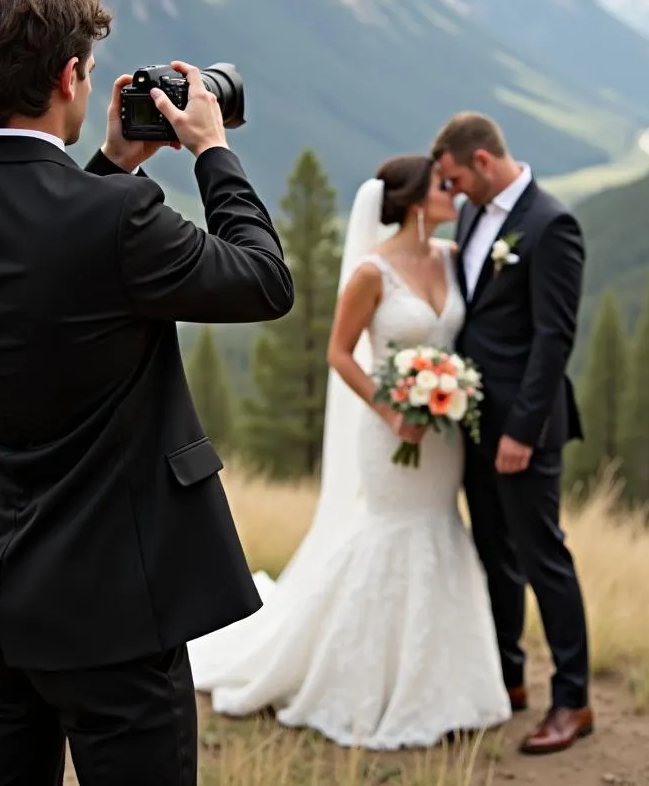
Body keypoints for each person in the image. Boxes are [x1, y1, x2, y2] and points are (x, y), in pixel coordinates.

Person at [0, 0, 294, 786]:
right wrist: (212, 152)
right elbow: (264, 280)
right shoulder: (117, 222)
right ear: (70, 77)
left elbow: (47, 264)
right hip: (116, 615)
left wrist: (111, 166)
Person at [186, 154, 512, 749]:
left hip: (442, 438)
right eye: (444, 185)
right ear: (415, 200)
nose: (455, 192)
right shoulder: (371, 272)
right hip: (389, 435)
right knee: (391, 535)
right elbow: (339, 354)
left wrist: (450, 394)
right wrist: (393, 408)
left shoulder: (450, 259)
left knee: (441, 531)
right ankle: (359, 682)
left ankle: (445, 688)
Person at [431, 111, 594, 756]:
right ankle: (509, 678)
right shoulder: (472, 216)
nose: (450, 194)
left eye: (453, 179)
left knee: (542, 557)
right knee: (493, 551)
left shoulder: (553, 224)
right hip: (473, 418)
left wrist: (522, 431)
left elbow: (555, 339)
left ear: (481, 163)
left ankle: (574, 700)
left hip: (526, 426)